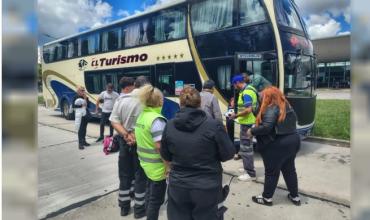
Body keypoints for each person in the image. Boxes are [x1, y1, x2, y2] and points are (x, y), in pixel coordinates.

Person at [160, 87, 235, 220]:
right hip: (207, 187)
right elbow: (228, 154)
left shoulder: (169, 125)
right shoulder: (214, 125)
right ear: (200, 103)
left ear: (180, 103)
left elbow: (165, 155)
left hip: (178, 185)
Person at [249, 86, 301, 206]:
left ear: (269, 97)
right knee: (290, 170)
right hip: (293, 141)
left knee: (272, 172)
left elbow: (267, 127)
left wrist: (252, 131)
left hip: (278, 145)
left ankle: (267, 198)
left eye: (263, 96)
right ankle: (295, 196)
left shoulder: (272, 107)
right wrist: (253, 109)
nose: (261, 97)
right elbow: (267, 116)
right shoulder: (286, 105)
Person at [110, 77, 148, 218]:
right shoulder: (145, 100)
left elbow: (114, 121)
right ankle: (139, 210)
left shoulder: (120, 100)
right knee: (140, 175)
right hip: (140, 141)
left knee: (125, 174)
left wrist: (126, 135)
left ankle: (124, 207)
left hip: (124, 141)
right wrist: (135, 137)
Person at [134, 84, 168, 220]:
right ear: (158, 101)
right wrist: (168, 165)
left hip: (145, 164)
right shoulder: (157, 120)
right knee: (156, 201)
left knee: (149, 194)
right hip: (158, 167)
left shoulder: (142, 116)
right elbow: (160, 146)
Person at [229, 75, 258, 181]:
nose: (234, 87)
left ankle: (250, 173)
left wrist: (235, 116)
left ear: (237, 83)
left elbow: (248, 109)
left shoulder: (246, 93)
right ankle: (247, 167)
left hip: (247, 123)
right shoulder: (250, 89)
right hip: (249, 122)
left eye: (234, 85)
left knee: (246, 148)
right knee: (245, 146)